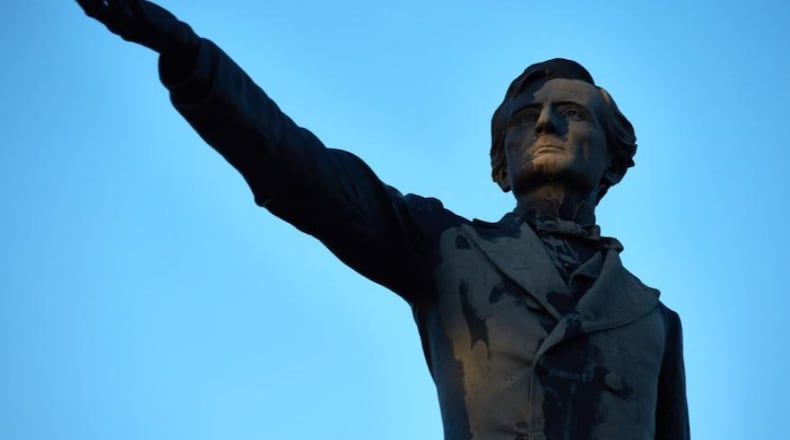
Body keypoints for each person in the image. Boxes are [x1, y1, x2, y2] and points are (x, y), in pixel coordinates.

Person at [75, 1, 690, 439]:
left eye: (571, 114)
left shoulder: (653, 320)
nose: (546, 125)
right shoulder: (448, 247)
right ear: (500, 164)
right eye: (525, 118)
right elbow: (301, 170)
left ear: (614, 156)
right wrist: (189, 58)